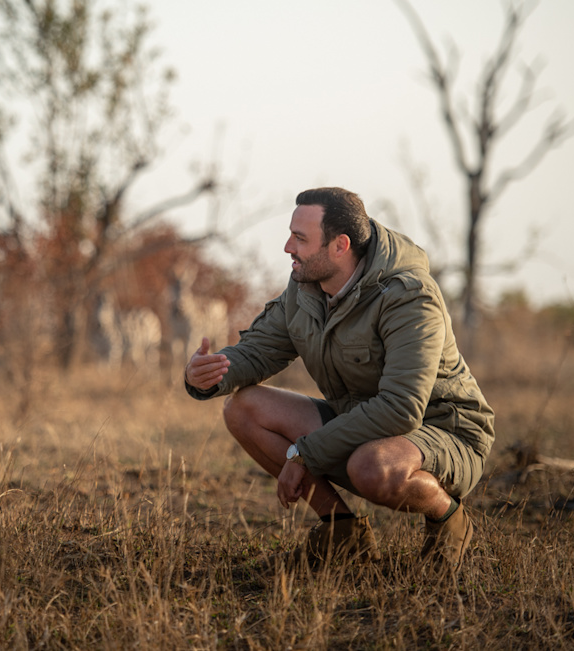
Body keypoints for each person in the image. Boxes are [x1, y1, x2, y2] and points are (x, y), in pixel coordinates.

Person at [184, 187, 494, 573]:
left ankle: (448, 519)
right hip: (364, 423)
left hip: (446, 431)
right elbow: (259, 350)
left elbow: (401, 409)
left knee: (372, 466)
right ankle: (343, 534)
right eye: (290, 234)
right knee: (243, 408)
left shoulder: (410, 297)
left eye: (300, 238)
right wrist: (208, 372)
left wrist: (305, 453)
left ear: (340, 245)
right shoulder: (305, 289)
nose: (287, 248)